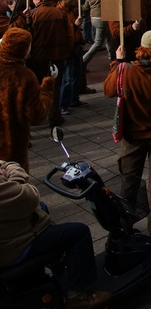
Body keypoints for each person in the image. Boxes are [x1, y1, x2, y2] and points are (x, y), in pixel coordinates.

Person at [103, 30, 151, 239]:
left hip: (132, 137)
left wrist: (117, 62)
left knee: (129, 186)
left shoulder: (125, 71)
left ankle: (125, 231)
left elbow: (108, 90)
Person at [0, 160, 111, 309]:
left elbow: (5, 165)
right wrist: (13, 172)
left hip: (9, 235)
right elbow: (27, 195)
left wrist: (7, 171)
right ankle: (79, 297)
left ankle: (56, 264)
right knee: (78, 233)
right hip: (14, 248)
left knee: (42, 207)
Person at [0, 28, 55, 171]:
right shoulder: (24, 77)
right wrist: (48, 86)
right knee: (14, 181)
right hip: (12, 146)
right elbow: (37, 113)